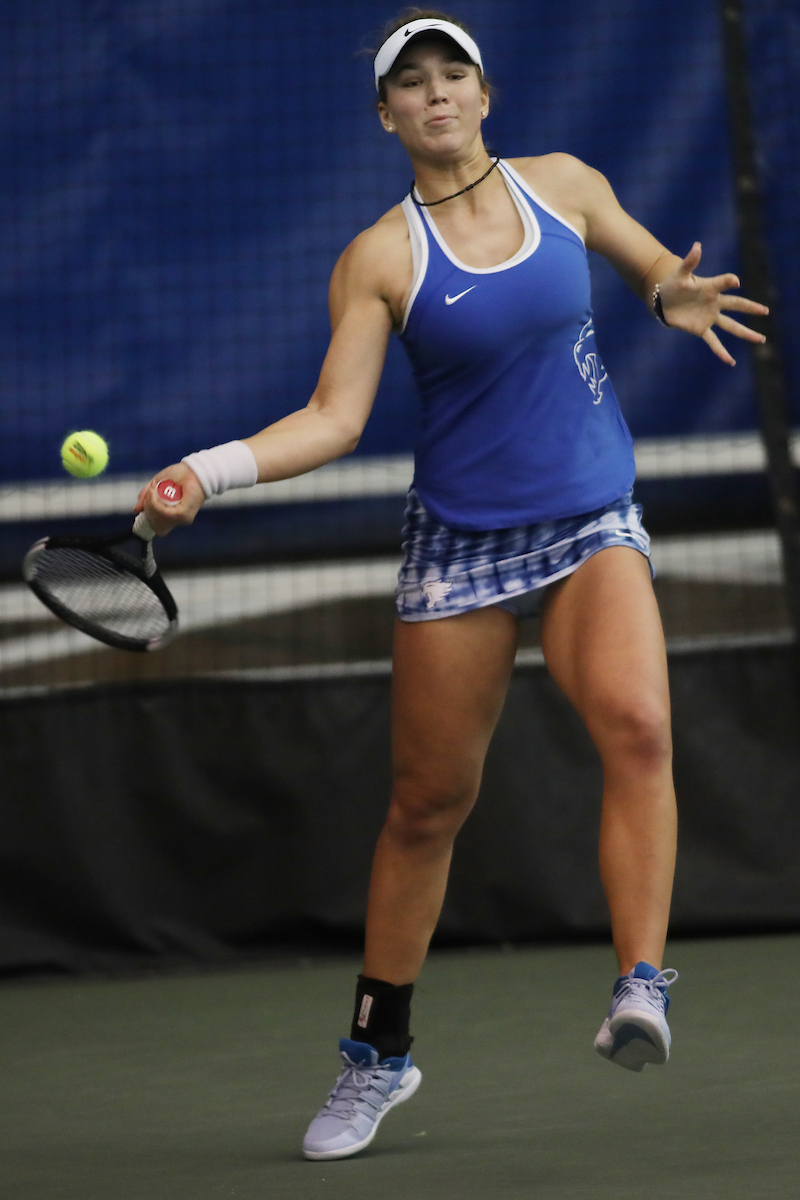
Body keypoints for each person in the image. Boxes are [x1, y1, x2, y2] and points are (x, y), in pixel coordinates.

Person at [136, 9, 769, 1162]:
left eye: (453, 74)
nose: (436, 95)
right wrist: (204, 472)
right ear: (386, 115)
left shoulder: (563, 186)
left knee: (635, 725)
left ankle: (640, 984)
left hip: (590, 521)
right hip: (461, 545)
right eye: (411, 84)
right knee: (425, 808)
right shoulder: (379, 257)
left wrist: (667, 298)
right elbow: (333, 419)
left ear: (483, 95)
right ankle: (377, 1056)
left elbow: (644, 270)